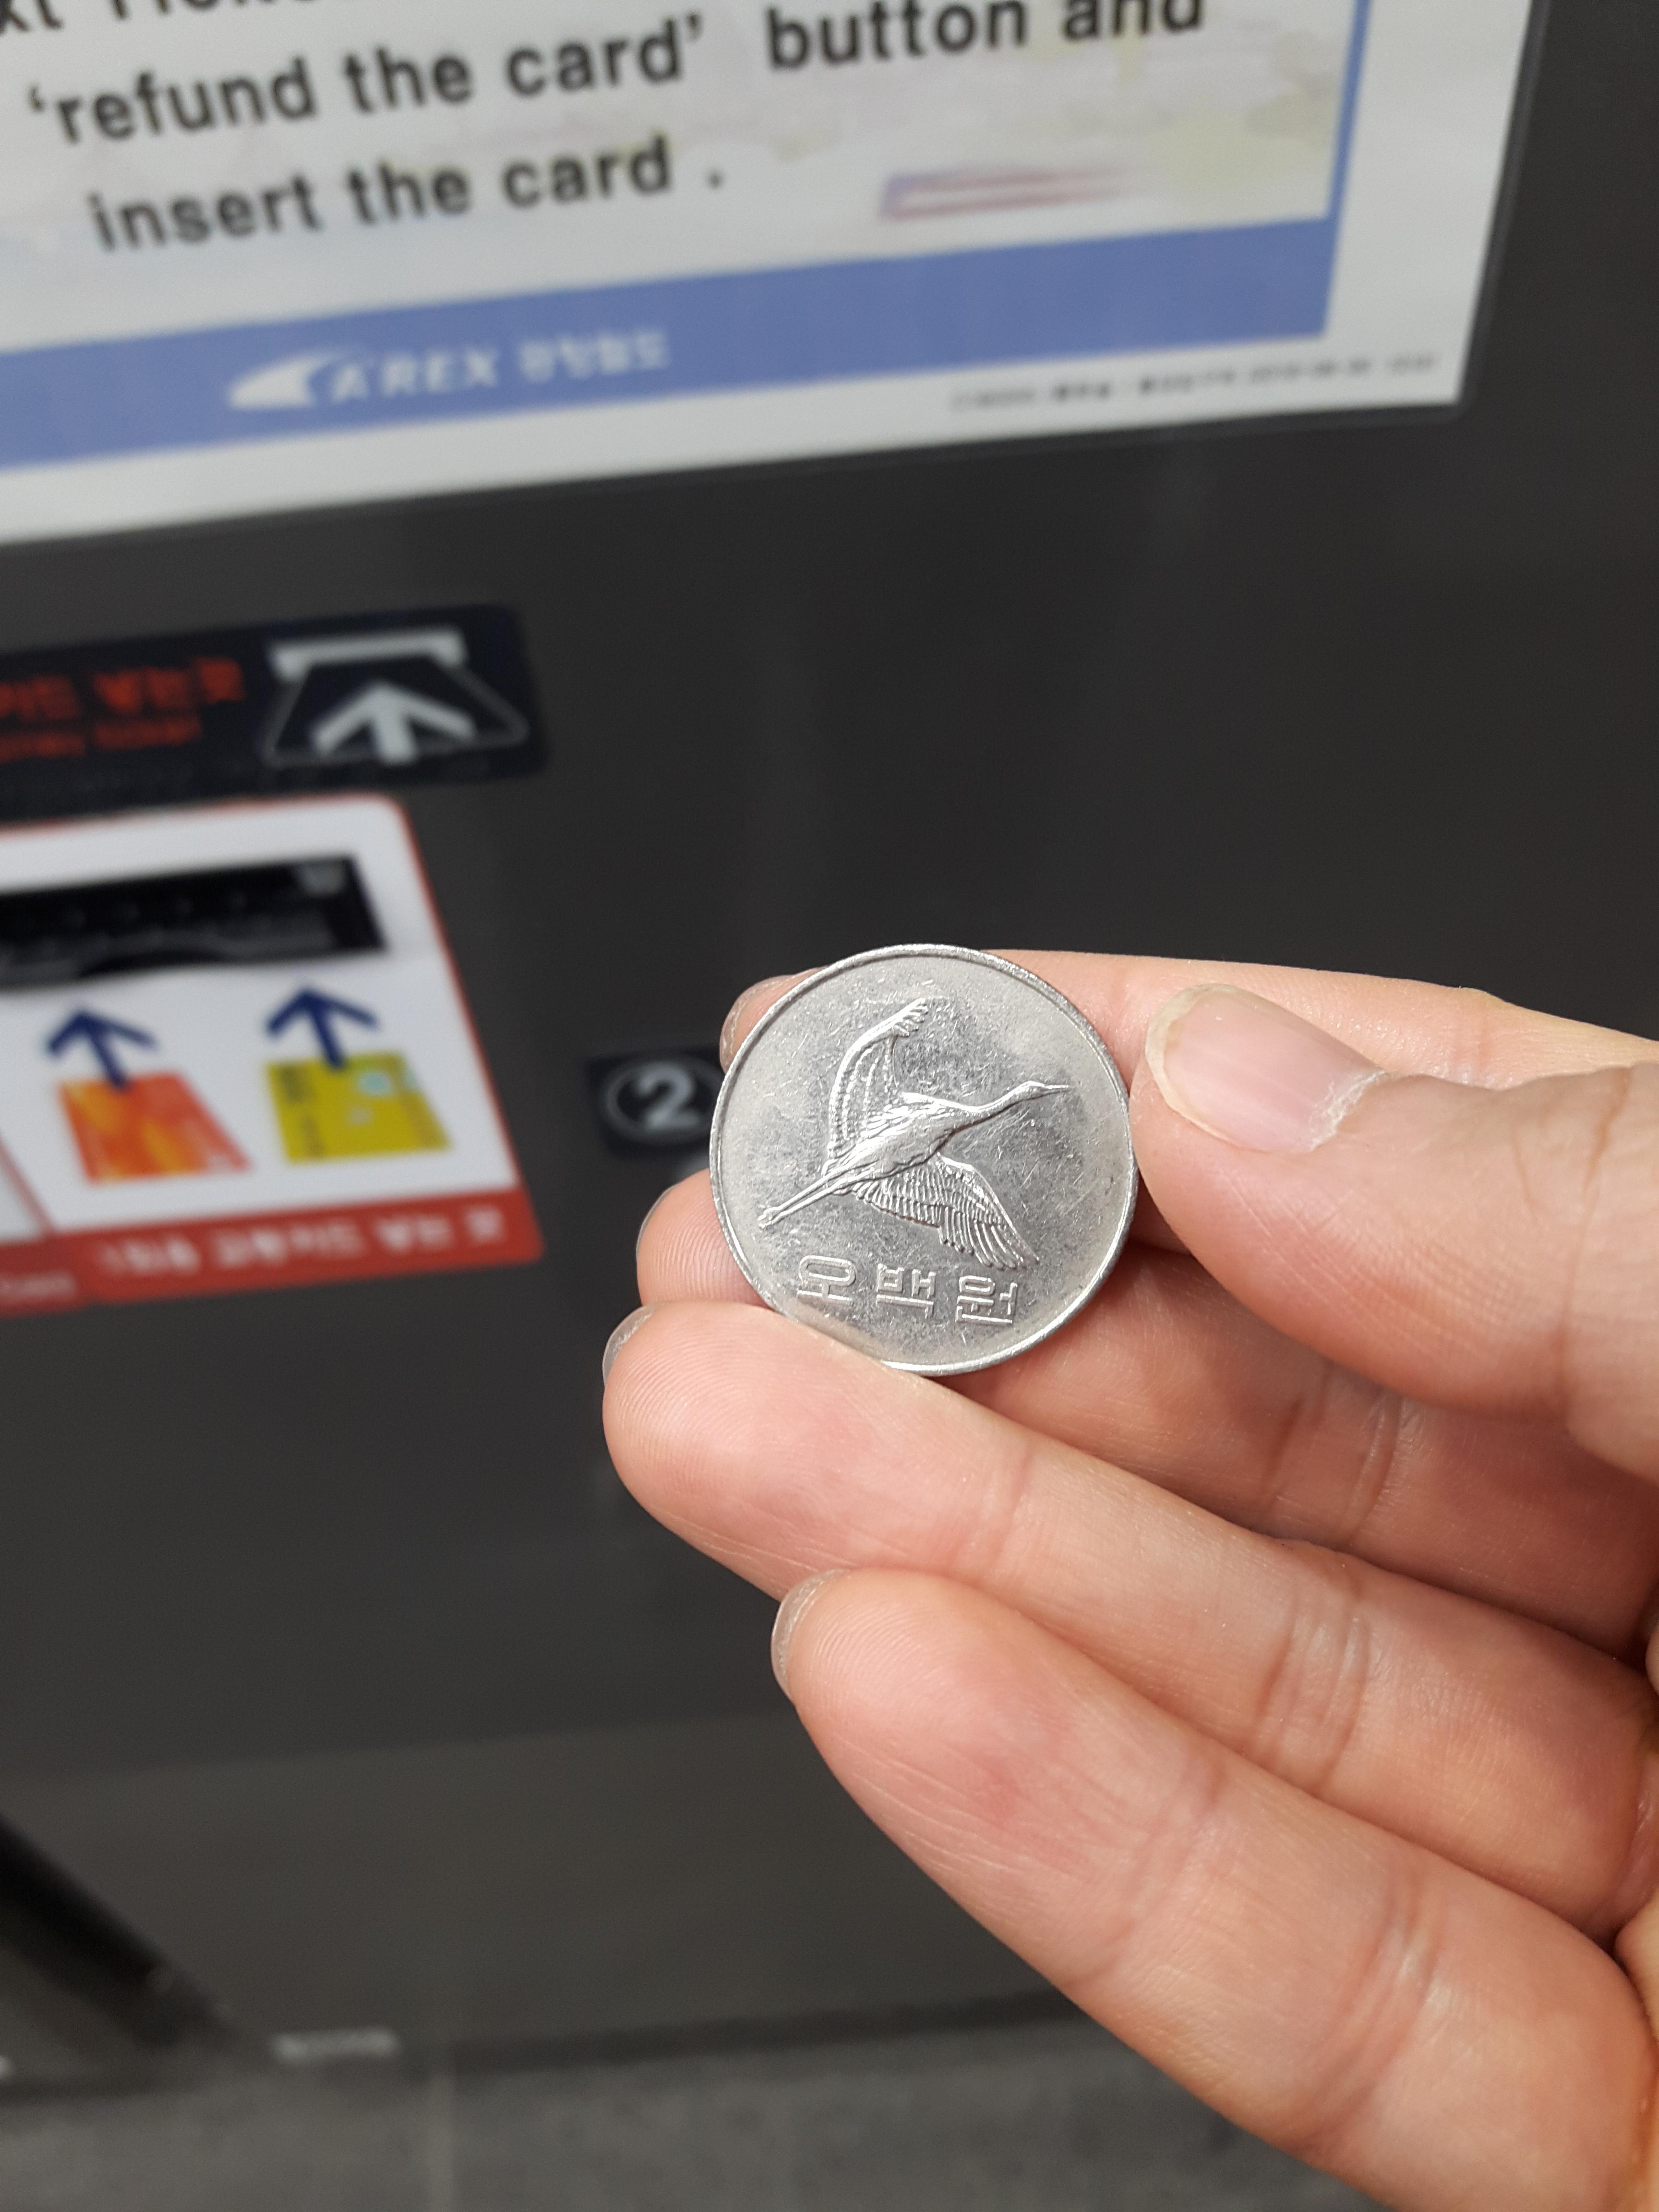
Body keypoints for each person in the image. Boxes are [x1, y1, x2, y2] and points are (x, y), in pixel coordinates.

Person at [602, 954, 1659, 2211]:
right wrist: (897, 1033)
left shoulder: (953, 1167)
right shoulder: (901, 1120)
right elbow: (869, 1065)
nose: (991, 1116)